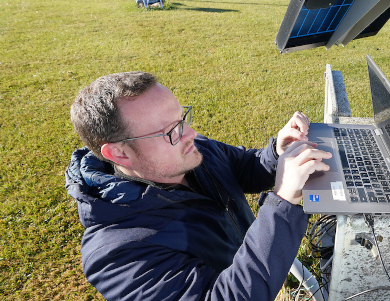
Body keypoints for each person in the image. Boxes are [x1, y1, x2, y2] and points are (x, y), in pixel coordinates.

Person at [65, 71, 332, 300]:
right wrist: (283, 201)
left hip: (257, 263)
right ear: (120, 154)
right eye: (170, 131)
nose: (191, 134)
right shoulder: (117, 256)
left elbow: (244, 168)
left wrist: (276, 152)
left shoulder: (190, 151)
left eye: (183, 118)